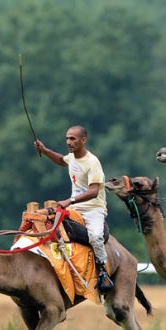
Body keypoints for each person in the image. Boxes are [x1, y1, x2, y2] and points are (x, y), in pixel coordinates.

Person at [34, 125, 114, 293]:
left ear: (83, 140)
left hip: (94, 209)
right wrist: (44, 149)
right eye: (67, 138)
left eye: (72, 139)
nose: (68, 142)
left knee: (95, 237)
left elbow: (94, 191)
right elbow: (61, 161)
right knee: (52, 226)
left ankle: (103, 274)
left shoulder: (92, 162)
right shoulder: (71, 157)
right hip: (75, 207)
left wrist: (69, 200)